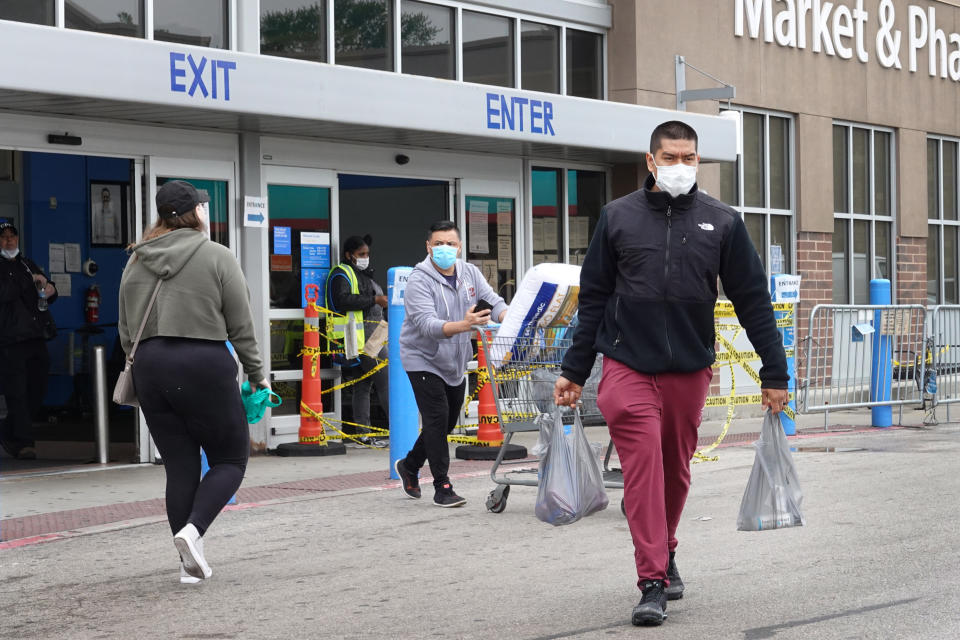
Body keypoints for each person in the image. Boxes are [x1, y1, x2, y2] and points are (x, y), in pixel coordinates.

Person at [554, 121, 789, 626]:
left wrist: (775, 372)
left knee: (674, 471)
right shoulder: (617, 217)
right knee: (642, 469)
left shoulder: (722, 221)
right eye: (671, 156)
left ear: (698, 161)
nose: (680, 165)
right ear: (651, 161)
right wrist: (575, 370)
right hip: (626, 365)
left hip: (688, 367)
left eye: (689, 158)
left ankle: (666, 546)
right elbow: (592, 297)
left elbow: (753, 299)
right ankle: (652, 580)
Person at [118, 181, 267, 584]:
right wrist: (257, 373)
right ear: (197, 212)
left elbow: (125, 328)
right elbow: (241, 324)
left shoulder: (137, 259)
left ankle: (189, 564)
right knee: (231, 459)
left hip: (150, 366)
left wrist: (147, 358)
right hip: (203, 362)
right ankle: (194, 530)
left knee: (181, 465)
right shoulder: (216, 255)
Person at [393, 220, 508, 507]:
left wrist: (509, 316)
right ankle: (442, 485)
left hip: (455, 359)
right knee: (436, 418)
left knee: (444, 423)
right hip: (422, 357)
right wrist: (464, 324)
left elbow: (493, 301)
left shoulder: (469, 272)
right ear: (428, 247)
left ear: (459, 247)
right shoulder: (419, 279)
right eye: (439, 243)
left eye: (451, 244)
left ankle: (409, 465)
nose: (445, 248)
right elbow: (427, 325)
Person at [0, 221, 57, 461]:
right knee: (17, 393)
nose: (9, 241)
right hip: (10, 338)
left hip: (36, 334)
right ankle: (24, 442)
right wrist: (31, 282)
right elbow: (6, 293)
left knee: (38, 388)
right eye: (3, 237)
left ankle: (6, 429)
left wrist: (48, 286)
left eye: (12, 236)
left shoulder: (27, 263)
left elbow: (46, 288)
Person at [326, 234, 389, 448]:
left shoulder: (363, 275)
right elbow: (342, 300)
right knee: (387, 382)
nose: (365, 258)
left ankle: (363, 434)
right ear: (349, 255)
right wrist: (375, 299)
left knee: (363, 385)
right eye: (361, 254)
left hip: (374, 335)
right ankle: (400, 431)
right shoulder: (341, 274)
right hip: (361, 340)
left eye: (367, 254)